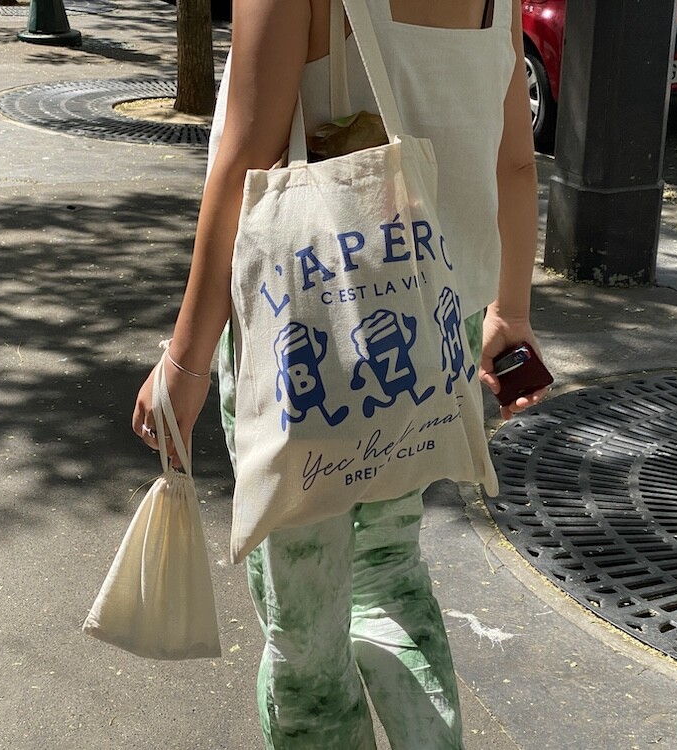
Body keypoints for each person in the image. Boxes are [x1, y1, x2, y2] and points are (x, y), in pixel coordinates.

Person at [133, 0, 548, 746]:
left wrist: (185, 361)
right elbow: (515, 163)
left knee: (306, 630)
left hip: (312, 333)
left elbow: (245, 158)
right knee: (391, 571)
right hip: (436, 329)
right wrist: (510, 313)